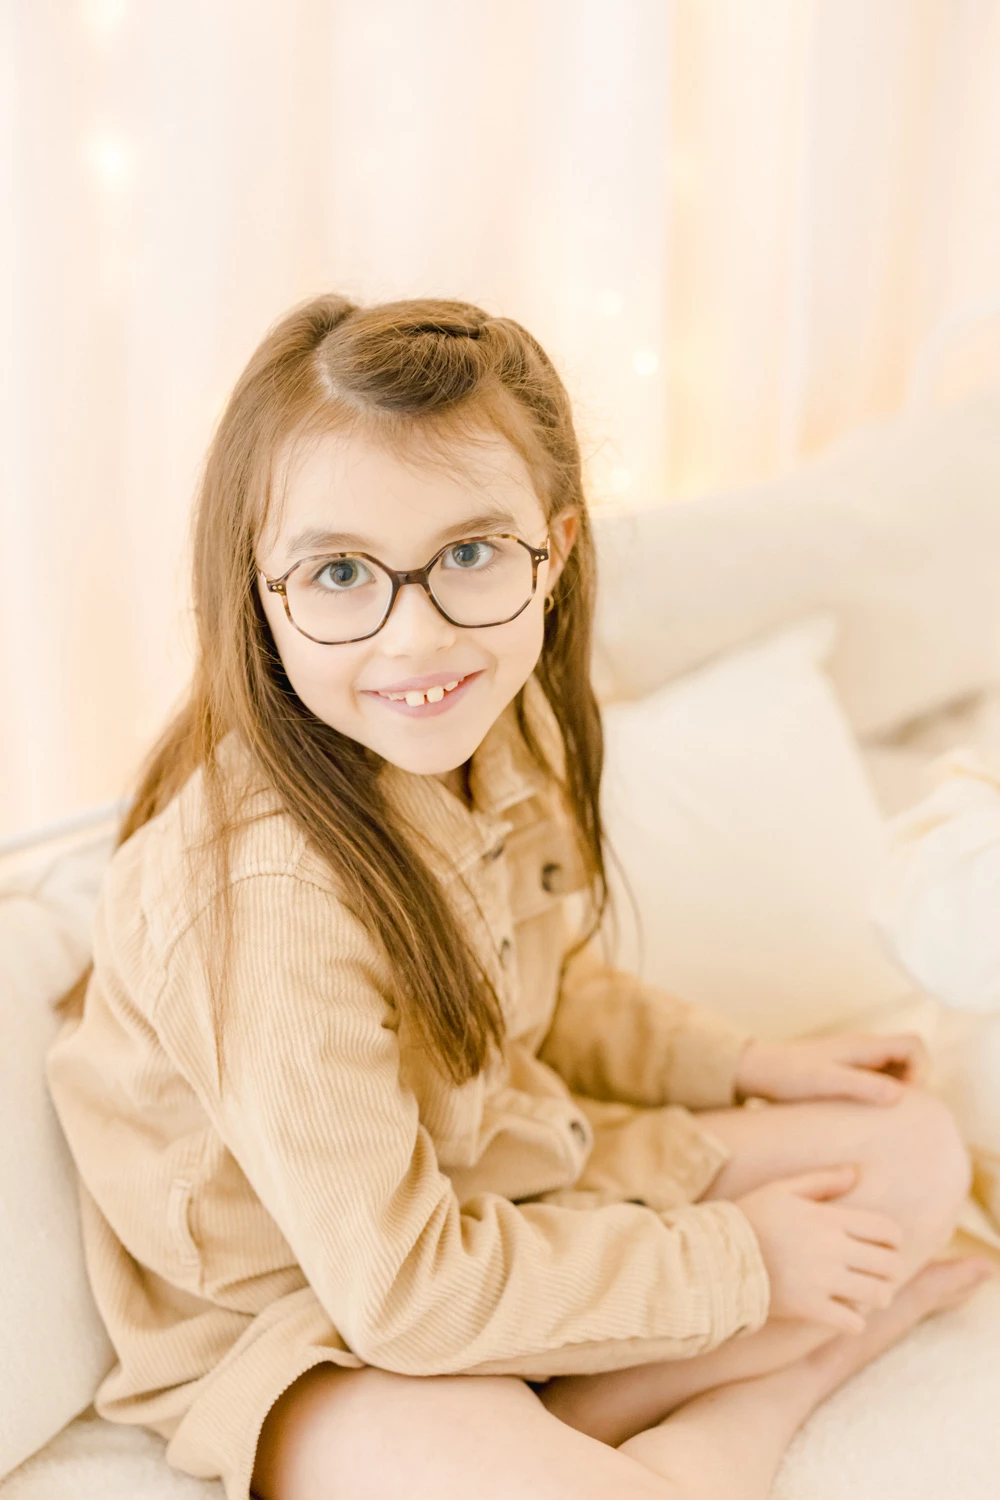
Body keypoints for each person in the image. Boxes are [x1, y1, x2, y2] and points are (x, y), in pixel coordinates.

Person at [45, 293, 996, 1500]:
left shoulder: (496, 725)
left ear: (553, 547)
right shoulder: (262, 897)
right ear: (258, 589)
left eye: (472, 555)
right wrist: (740, 1266)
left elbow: (544, 987)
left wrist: (741, 1064)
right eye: (340, 572)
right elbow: (401, 1294)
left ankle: (579, 1373)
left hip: (502, 1181)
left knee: (909, 1150)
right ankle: (773, 1386)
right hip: (319, 1326)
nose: (414, 638)